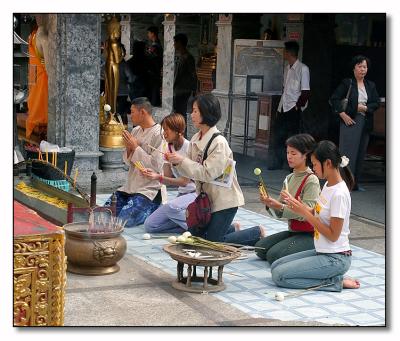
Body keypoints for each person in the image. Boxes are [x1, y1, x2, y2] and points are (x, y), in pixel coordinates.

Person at [166, 94, 264, 246]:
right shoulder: (195, 139)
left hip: (224, 201)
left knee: (212, 244)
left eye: (195, 111)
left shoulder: (219, 142)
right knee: (197, 239)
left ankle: (256, 232)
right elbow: (189, 172)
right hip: (206, 200)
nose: (191, 115)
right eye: (192, 111)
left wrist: (182, 161)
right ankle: (231, 229)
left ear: (207, 112)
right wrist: (175, 162)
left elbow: (207, 173)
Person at [271, 140, 360, 292]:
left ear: (328, 163)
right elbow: (318, 212)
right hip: (322, 251)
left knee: (279, 276)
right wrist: (299, 207)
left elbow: (333, 235)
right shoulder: (328, 185)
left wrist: (306, 213)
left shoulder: (339, 194)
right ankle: (328, 276)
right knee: (275, 266)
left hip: (336, 258)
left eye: (315, 164)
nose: (313, 169)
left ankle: (335, 282)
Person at [254, 134, 320, 264]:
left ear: (305, 154)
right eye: (288, 152)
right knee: (259, 249)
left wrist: (280, 206)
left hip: (309, 234)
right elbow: (279, 212)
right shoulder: (289, 178)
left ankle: (313, 250)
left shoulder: (311, 180)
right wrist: (269, 204)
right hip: (294, 231)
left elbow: (308, 214)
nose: (289, 156)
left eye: (293, 153)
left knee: (273, 256)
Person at [104, 97, 164, 227]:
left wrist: (136, 147)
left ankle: (155, 208)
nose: (130, 115)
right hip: (130, 187)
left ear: (143, 112)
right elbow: (127, 162)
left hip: (148, 190)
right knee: (103, 214)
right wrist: (128, 147)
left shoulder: (159, 133)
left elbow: (156, 166)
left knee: (123, 220)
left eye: (132, 112)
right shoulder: (136, 130)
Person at [330, 55, 379, 191]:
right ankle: (342, 183)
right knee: (347, 153)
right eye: (360, 66)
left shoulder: (371, 85)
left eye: (365, 67)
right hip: (350, 120)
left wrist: (366, 108)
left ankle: (355, 183)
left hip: (366, 121)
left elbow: (376, 102)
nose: (363, 69)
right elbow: (334, 99)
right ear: (354, 68)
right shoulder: (347, 83)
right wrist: (342, 114)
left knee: (360, 153)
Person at [143, 113, 197, 234]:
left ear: (178, 131)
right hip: (181, 196)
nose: (164, 133)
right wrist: (155, 174)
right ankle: (189, 227)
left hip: (194, 194)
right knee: (150, 225)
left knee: (171, 207)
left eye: (167, 130)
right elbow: (167, 178)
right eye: (163, 130)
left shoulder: (190, 148)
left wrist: (159, 177)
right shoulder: (168, 147)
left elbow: (184, 182)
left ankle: (202, 225)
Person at [268, 40, 310, 170]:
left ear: (289, 53)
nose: (283, 54)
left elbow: (305, 91)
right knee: (278, 135)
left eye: (284, 52)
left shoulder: (303, 69)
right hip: (283, 106)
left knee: (293, 138)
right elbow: (285, 89)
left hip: (293, 108)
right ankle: (277, 162)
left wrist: (298, 106)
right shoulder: (287, 68)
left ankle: (294, 165)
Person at [26, 14, 49, 140]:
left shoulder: (33, 36)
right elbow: (51, 70)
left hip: (36, 86)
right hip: (42, 86)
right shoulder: (40, 36)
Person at [173, 33, 198, 136]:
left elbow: (193, 74)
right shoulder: (181, 57)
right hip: (178, 90)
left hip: (184, 90)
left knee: (181, 115)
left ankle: (182, 135)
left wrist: (194, 89)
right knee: (178, 113)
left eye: (175, 42)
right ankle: (179, 134)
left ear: (180, 43)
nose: (174, 44)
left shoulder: (188, 57)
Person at [104, 17, 124, 113]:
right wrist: (123, 54)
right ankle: (113, 112)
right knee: (114, 90)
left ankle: (109, 110)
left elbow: (105, 55)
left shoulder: (108, 42)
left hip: (108, 65)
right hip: (114, 66)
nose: (120, 31)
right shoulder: (115, 44)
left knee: (109, 88)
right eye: (119, 29)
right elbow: (117, 60)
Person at [116, 44, 135, 125]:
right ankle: (123, 129)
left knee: (119, 112)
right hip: (122, 92)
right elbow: (131, 78)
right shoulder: (123, 65)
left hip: (117, 92)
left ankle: (123, 129)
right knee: (121, 112)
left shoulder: (121, 64)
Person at [145, 26, 163, 107]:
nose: (147, 35)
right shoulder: (155, 44)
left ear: (153, 33)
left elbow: (152, 58)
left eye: (148, 33)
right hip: (154, 71)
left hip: (154, 72)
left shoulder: (156, 46)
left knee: (154, 93)